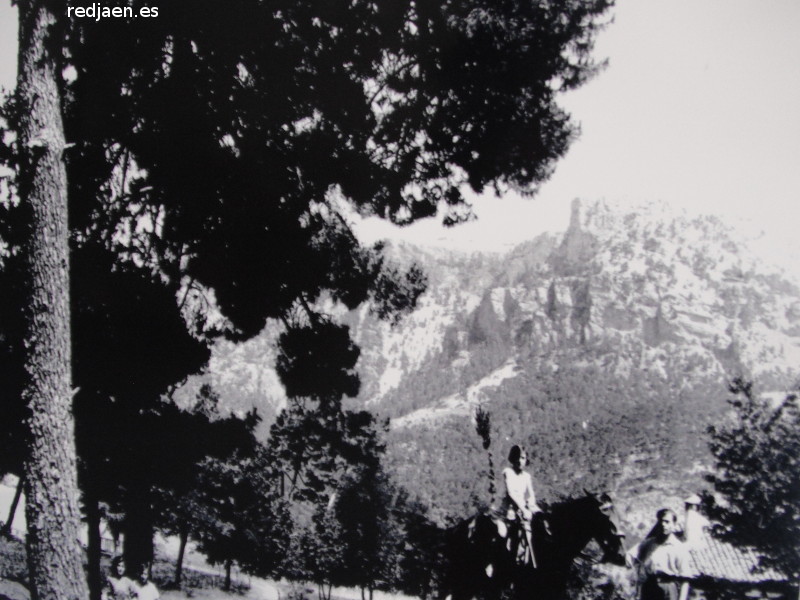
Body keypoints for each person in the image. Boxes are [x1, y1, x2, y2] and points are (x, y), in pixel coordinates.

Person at [628, 509, 694, 600]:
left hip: (667, 588)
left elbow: (685, 579)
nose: (663, 524)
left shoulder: (679, 548)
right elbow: (631, 555)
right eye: (661, 521)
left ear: (674, 524)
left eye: (667, 522)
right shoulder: (649, 543)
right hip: (649, 587)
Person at [500, 445, 541, 566]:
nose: (520, 460)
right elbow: (511, 493)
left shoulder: (527, 476)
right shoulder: (508, 472)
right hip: (509, 512)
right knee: (504, 534)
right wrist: (523, 509)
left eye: (522, 458)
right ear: (513, 459)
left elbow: (530, 495)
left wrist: (532, 507)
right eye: (517, 457)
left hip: (523, 513)